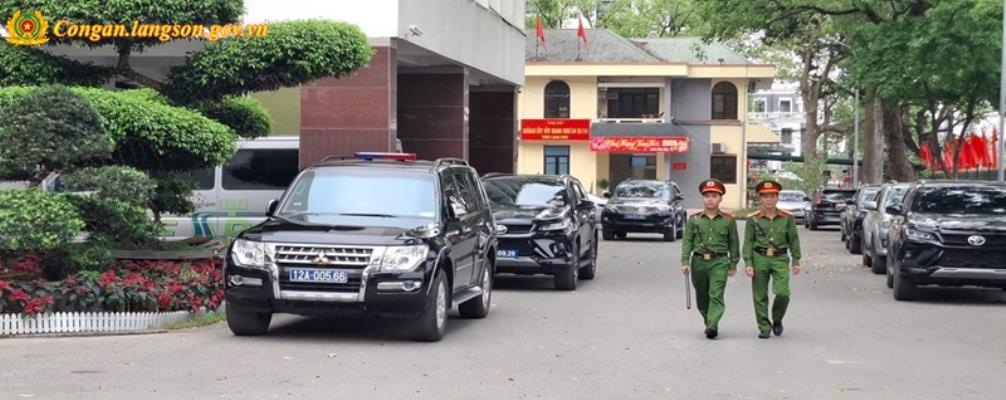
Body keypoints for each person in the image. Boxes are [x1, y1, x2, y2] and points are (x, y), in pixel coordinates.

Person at [681, 179, 740, 340]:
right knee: (702, 297)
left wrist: (733, 263)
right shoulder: (694, 220)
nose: (710, 199)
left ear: (720, 198)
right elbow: (687, 242)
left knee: (716, 294)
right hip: (698, 262)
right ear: (703, 198)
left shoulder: (728, 220)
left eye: (714, 196)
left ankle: (713, 325)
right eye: (707, 196)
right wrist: (685, 262)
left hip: (719, 262)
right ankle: (709, 320)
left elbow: (733, 243)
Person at [743, 180, 802, 339]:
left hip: (780, 258)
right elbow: (748, 242)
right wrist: (748, 263)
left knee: (783, 293)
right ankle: (764, 326)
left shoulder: (787, 218)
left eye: (771, 196)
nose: (768, 200)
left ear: (777, 197)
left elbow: (794, 240)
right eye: (765, 196)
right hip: (759, 258)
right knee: (760, 295)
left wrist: (796, 260)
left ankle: (777, 318)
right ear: (760, 198)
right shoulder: (753, 219)